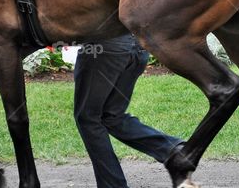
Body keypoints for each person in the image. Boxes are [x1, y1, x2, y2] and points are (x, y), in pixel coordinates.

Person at [74, 35, 184, 188]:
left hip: (105, 47)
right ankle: (172, 150)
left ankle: (113, 185)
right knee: (112, 116)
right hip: (139, 46)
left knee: (88, 117)